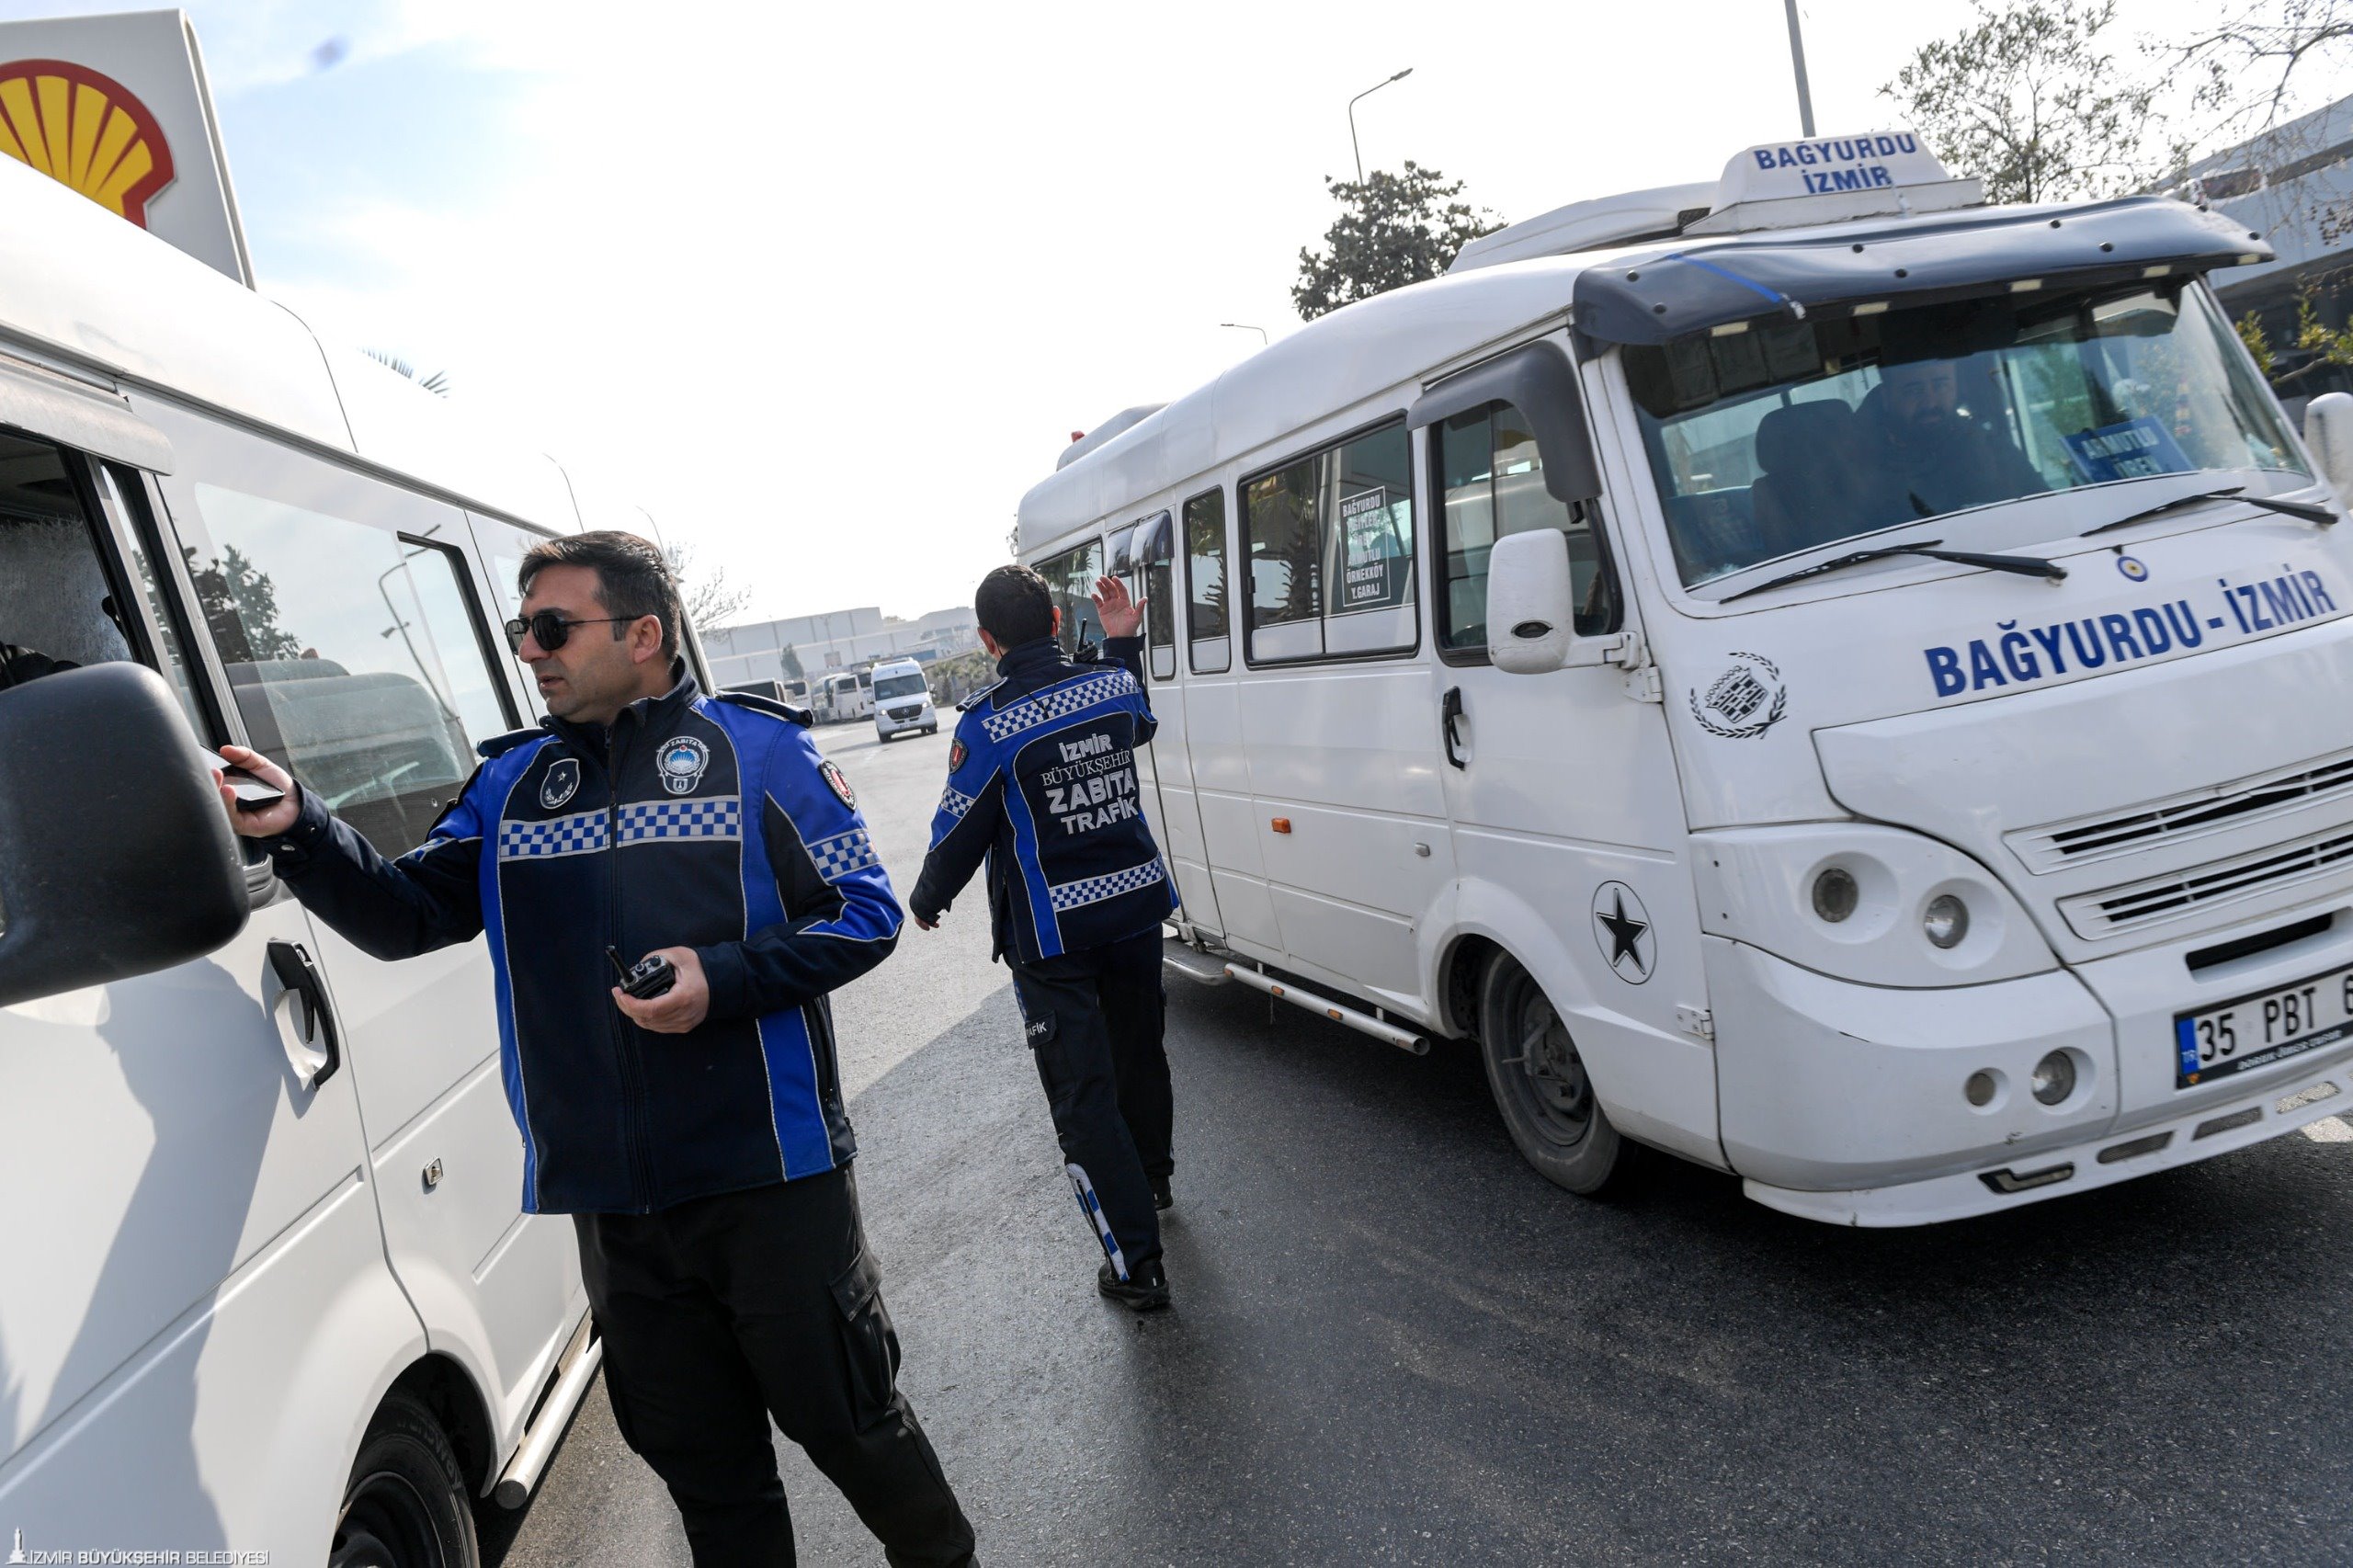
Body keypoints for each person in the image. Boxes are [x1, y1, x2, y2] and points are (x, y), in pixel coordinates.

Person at [211, 530, 973, 1568]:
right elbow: (407, 914)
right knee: (710, 1479)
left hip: (772, 1182)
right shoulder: (510, 785)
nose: (531, 650)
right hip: (615, 1211)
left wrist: (722, 979)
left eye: (553, 627)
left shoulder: (761, 753)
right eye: (521, 630)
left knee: (856, 1431)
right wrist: (301, 827)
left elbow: (865, 913)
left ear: (643, 634)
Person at [908, 565, 1178, 1312]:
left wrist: (928, 898)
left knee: (1083, 1095)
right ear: (1057, 623)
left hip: (1054, 932)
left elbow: (961, 826)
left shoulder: (989, 724)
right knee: (1139, 1051)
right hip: (1134, 907)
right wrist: (1122, 643)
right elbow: (1140, 723)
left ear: (986, 640)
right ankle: (1152, 1180)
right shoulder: (1110, 686)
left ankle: (1137, 1267)